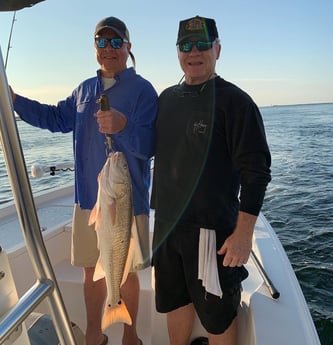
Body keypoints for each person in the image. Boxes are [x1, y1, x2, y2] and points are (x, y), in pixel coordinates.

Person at [11, 16, 158, 345]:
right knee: (91, 269)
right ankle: (95, 335)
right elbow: (54, 118)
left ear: (128, 48)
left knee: (127, 271)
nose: (108, 49)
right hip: (88, 200)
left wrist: (123, 126)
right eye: (101, 42)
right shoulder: (84, 90)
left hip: (127, 200)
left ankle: (130, 337)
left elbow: (150, 145)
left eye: (115, 42)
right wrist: (15, 100)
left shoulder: (143, 91)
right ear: (94, 48)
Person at [150, 15, 271, 345]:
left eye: (202, 44)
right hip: (166, 227)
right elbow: (146, 146)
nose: (194, 52)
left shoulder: (237, 103)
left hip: (210, 233)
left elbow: (257, 172)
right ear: (177, 52)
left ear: (217, 49)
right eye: (186, 45)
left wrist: (244, 233)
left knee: (218, 318)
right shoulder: (166, 99)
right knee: (174, 301)